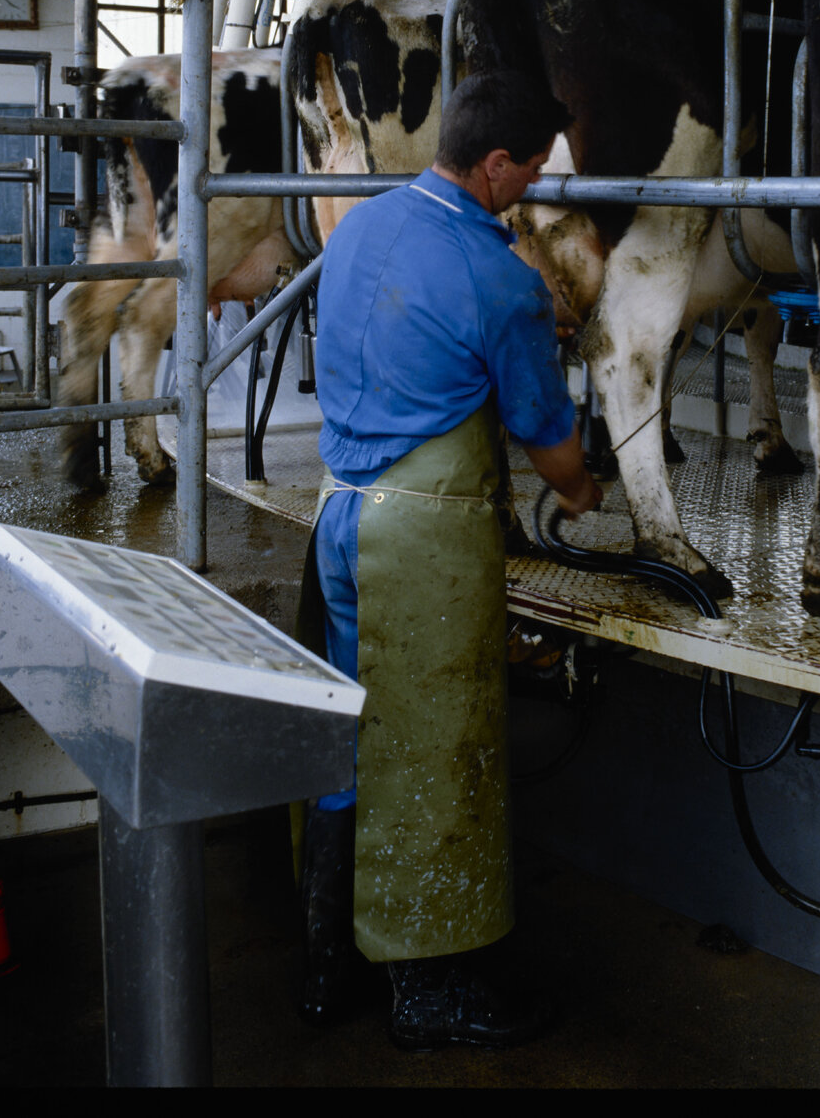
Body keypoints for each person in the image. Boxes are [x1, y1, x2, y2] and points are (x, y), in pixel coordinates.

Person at [298, 70, 602, 1052]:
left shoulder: (358, 234)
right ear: (497, 162)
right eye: (531, 171)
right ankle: (431, 996)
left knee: (351, 743)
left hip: (339, 515)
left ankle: (324, 968)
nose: (533, 189)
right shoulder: (499, 278)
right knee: (432, 756)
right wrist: (581, 489)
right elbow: (547, 442)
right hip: (420, 541)